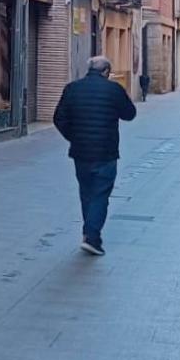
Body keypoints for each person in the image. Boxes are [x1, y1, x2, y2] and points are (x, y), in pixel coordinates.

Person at [52, 56, 137, 256]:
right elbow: (129, 114)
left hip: (81, 152)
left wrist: (73, 137)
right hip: (106, 152)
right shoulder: (114, 90)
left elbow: (58, 118)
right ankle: (91, 236)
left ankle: (89, 234)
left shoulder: (72, 88)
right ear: (107, 71)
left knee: (87, 192)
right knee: (100, 194)